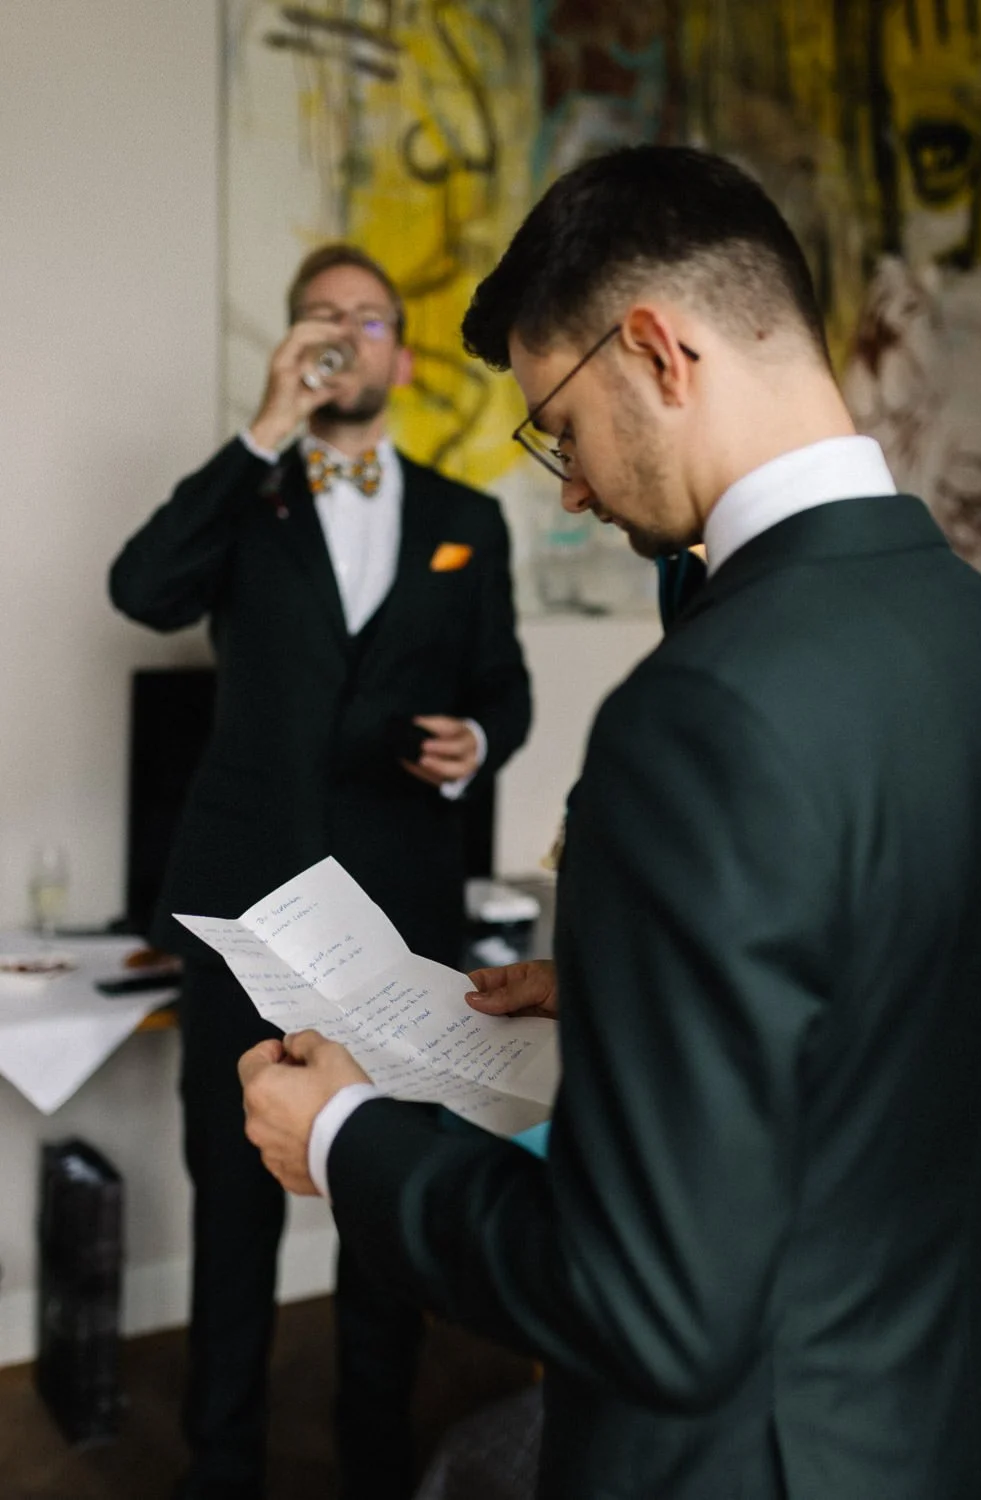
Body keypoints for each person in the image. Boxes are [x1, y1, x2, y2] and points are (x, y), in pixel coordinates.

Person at [238, 146, 981, 1500]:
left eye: (562, 432)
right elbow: (899, 1012)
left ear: (657, 349)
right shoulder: (972, 629)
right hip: (924, 1419)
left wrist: (349, 1139)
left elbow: (650, 1300)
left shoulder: (700, 711)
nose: (573, 490)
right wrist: (617, 997)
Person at [108, 243, 531, 1500]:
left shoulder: (468, 518)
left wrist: (479, 745)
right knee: (233, 1198)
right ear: (296, 347)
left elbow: (500, 686)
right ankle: (221, 1468)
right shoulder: (249, 501)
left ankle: (375, 1459)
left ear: (400, 352)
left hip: (400, 905)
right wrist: (263, 431)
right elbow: (139, 589)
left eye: (368, 318)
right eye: (319, 319)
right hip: (243, 905)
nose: (346, 334)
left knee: (385, 1185)